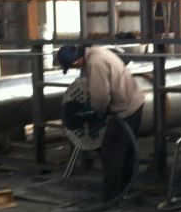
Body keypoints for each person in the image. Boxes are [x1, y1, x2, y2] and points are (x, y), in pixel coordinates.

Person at [57, 45, 145, 199]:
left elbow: (101, 96)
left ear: (76, 61)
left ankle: (111, 196)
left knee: (111, 152)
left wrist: (95, 111)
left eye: (73, 66)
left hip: (125, 108)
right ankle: (125, 189)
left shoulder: (94, 62)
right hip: (134, 101)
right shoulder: (97, 52)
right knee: (126, 150)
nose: (75, 68)